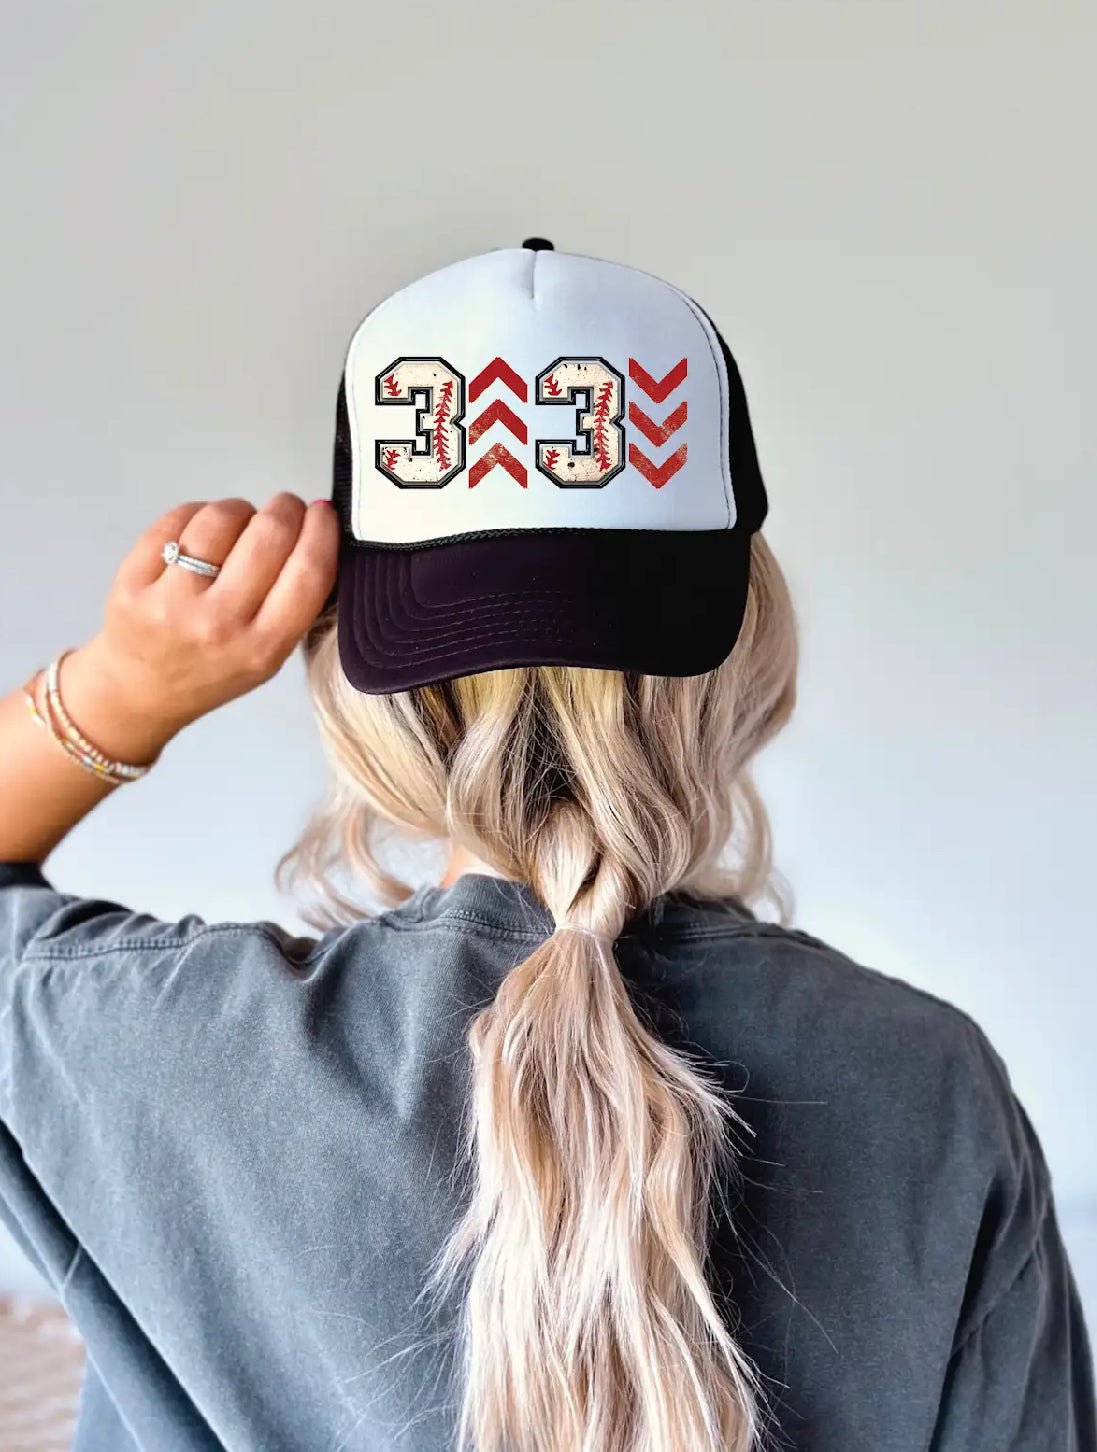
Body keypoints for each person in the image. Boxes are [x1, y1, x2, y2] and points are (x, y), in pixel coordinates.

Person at [0, 241, 1092, 1452]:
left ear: (349, 673)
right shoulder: (928, 1085)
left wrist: (118, 691)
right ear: (751, 648)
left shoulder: (147, 1049)